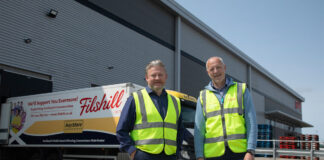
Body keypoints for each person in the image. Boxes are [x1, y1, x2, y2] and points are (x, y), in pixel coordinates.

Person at [116, 60, 184, 160]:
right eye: (153, 75)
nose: (157, 78)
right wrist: (132, 151)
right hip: (144, 155)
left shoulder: (175, 101)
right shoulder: (135, 99)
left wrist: (177, 152)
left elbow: (180, 130)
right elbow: (121, 130)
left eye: (160, 75)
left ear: (166, 77)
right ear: (147, 78)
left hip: (170, 156)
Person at [194, 56, 257, 160]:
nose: (215, 71)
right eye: (211, 69)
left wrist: (250, 151)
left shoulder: (241, 90)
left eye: (218, 67)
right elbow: (199, 130)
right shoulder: (203, 96)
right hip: (213, 155)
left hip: (240, 154)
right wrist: (199, 155)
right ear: (208, 72)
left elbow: (251, 122)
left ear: (224, 68)